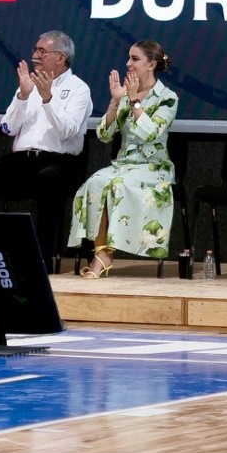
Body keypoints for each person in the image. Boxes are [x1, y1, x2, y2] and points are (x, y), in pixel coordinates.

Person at [0, 30, 95, 259]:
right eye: (35, 50)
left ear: (61, 57)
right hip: (22, 161)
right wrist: (22, 97)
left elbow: (67, 132)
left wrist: (48, 99)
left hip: (60, 162)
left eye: (42, 51)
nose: (35, 56)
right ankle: (2, 246)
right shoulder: (27, 85)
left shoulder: (78, 89)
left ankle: (41, 257)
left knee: (49, 179)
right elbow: (7, 129)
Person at [69, 39, 178, 276]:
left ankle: (103, 258)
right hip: (124, 165)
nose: (128, 63)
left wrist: (135, 101)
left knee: (117, 185)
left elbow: (150, 134)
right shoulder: (126, 95)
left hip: (153, 167)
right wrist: (115, 101)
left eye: (135, 59)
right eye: (129, 57)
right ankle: (101, 253)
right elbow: (104, 135)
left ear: (151, 65)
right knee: (96, 182)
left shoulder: (167, 97)